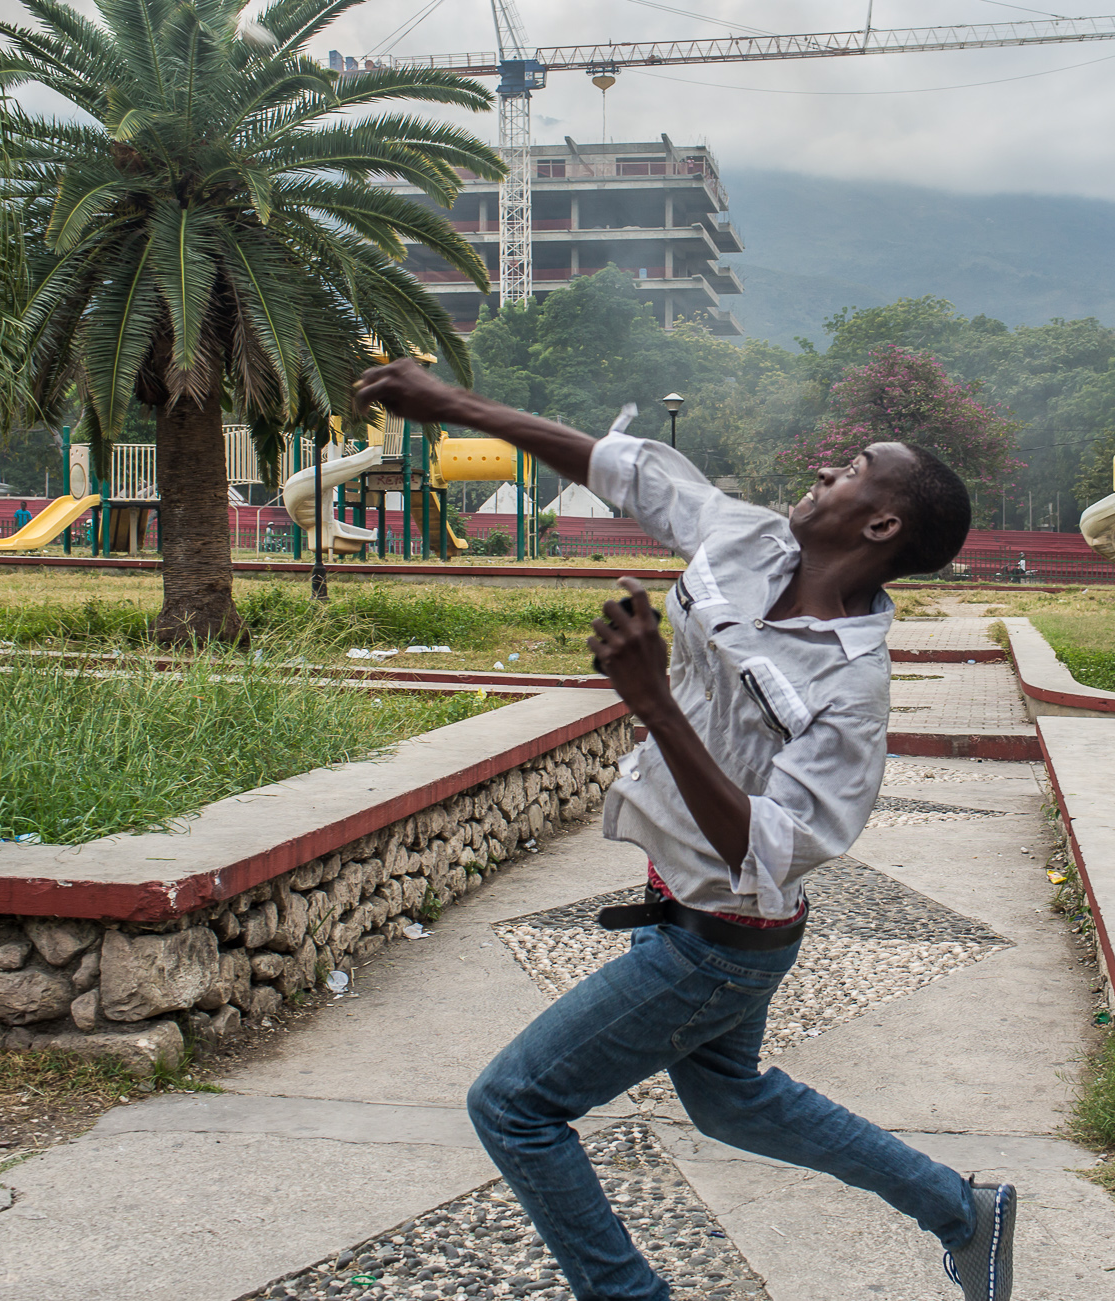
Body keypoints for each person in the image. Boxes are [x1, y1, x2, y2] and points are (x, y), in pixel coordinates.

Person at [354, 360, 1015, 1301]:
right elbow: (622, 469)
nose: (827, 467)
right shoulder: (748, 541)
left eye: (855, 466)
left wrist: (656, 702)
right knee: (732, 1100)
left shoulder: (850, 690)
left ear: (880, 523)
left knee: (514, 1107)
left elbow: (775, 847)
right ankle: (964, 1210)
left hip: (722, 942)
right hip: (695, 916)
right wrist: (452, 406)